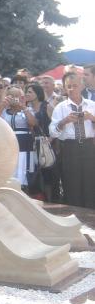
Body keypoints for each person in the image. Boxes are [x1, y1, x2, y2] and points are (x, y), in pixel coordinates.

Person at [49, 72, 95, 208]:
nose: (72, 89)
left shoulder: (91, 105)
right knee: (71, 182)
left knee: (90, 182)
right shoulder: (61, 107)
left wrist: (92, 118)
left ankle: (91, 214)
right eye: (68, 86)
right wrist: (65, 121)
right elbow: (52, 132)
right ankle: (75, 213)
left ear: (81, 86)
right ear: (64, 87)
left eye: (75, 85)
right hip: (70, 148)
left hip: (89, 146)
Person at [0, 87, 37, 188]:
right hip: (9, 145)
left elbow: (32, 123)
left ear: (21, 97)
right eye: (11, 96)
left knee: (24, 170)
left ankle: (25, 189)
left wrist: (23, 107)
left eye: (17, 96)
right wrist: (2, 106)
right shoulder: (4, 111)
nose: (14, 99)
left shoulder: (27, 110)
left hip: (25, 146)